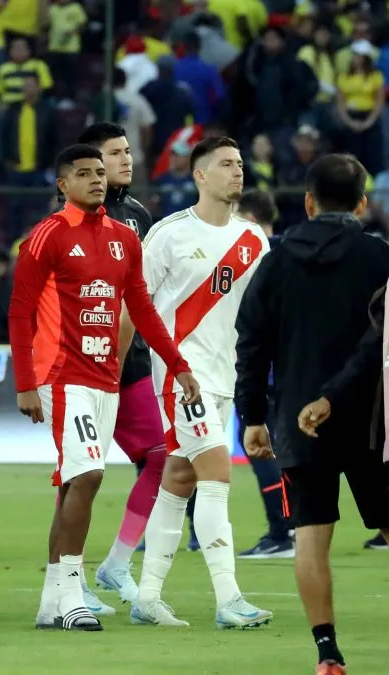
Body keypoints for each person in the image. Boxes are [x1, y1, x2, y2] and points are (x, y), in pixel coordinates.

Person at [8, 144, 199, 631]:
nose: (97, 179)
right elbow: (20, 311)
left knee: (76, 481)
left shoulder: (124, 239)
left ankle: (51, 602)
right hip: (59, 375)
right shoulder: (47, 236)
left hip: (105, 377)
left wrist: (177, 365)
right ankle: (74, 595)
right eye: (84, 173)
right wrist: (25, 383)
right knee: (90, 474)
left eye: (100, 172)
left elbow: (142, 309)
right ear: (62, 184)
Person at [235, 153, 389, 675]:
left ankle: (327, 653)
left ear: (307, 202)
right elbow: (381, 340)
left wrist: (252, 416)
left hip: (297, 418)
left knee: (310, 535)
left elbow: (251, 341)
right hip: (373, 420)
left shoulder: (275, 262)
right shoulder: (380, 258)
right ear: (362, 204)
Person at [129, 137, 273, 629]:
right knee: (215, 475)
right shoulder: (168, 234)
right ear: (200, 176)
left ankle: (147, 597)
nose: (238, 171)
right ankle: (229, 598)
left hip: (225, 375)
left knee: (179, 477)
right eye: (227, 164)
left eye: (240, 163)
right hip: (182, 376)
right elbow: (136, 302)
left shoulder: (253, 240)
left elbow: (258, 315)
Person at [74, 122, 167, 611]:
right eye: (115, 153)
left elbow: (143, 294)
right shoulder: (71, 221)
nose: (126, 160)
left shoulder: (138, 216)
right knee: (80, 472)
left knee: (161, 457)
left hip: (130, 362)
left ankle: (116, 563)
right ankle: (69, 580)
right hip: (81, 362)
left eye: (128, 151)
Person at [229, 189, 294, 559]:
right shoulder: (291, 253)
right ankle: (293, 526)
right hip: (291, 368)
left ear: (250, 219)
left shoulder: (254, 258)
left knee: (261, 448)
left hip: (261, 370)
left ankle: (281, 532)